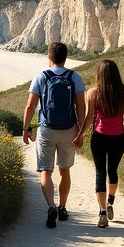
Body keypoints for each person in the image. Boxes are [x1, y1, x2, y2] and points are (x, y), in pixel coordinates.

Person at [22, 42, 86, 228]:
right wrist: (80, 130)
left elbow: (30, 106)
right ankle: (63, 207)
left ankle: (51, 205)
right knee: (64, 170)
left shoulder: (41, 77)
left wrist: (26, 129)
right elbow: (80, 106)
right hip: (69, 130)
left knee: (46, 171)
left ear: (49, 58)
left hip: (46, 130)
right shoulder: (75, 77)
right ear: (65, 58)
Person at [76, 59, 124, 228]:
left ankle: (102, 213)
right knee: (113, 171)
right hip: (118, 138)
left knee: (100, 173)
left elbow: (88, 119)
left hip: (99, 138)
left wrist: (80, 135)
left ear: (99, 75)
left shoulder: (93, 93)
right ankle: (110, 201)